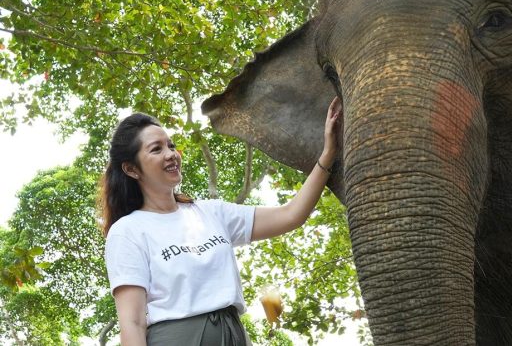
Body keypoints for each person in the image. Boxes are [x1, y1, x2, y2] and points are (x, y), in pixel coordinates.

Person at [101, 96, 342, 345]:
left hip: (234, 335)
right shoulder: (128, 231)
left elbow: (291, 215)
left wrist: (327, 154)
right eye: (156, 149)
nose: (171, 154)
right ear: (131, 169)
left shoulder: (211, 213)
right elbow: (132, 322)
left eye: (171, 146)